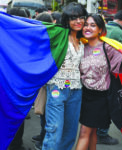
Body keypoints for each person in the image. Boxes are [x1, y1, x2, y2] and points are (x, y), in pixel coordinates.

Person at [75, 13, 122, 150]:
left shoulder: (107, 47)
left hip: (100, 97)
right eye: (85, 25)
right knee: (91, 131)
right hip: (84, 95)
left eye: (92, 25)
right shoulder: (80, 46)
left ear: (100, 29)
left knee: (84, 132)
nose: (87, 28)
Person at [42, 2, 87, 150]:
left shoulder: (83, 40)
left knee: (70, 132)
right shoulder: (59, 33)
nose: (78, 21)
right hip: (57, 88)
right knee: (54, 129)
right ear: (67, 20)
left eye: (81, 17)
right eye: (74, 18)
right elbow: (36, 31)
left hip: (76, 90)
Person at [97, 10, 122, 145]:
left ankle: (95, 131)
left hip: (94, 74)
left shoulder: (103, 29)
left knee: (97, 104)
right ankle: (102, 133)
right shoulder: (120, 33)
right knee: (110, 104)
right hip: (111, 76)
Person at [7, 7, 31, 150]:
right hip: (19, 87)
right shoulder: (26, 38)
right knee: (17, 116)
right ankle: (16, 145)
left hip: (6, 85)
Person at [31, 12, 54, 150]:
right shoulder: (51, 38)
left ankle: (43, 136)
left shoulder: (37, 38)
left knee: (44, 112)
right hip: (47, 82)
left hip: (43, 82)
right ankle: (43, 136)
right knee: (45, 112)